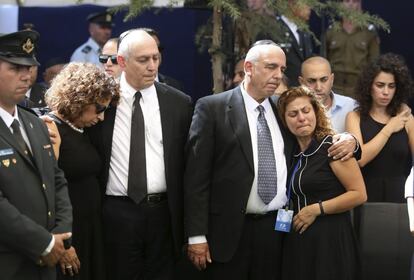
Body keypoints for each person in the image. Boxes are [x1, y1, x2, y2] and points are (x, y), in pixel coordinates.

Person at [184, 40, 358, 279]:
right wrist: (196, 236)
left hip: (277, 230)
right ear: (248, 67)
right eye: (271, 67)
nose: (278, 75)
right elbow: (196, 178)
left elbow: (317, 138)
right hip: (228, 232)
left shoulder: (282, 108)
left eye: (282, 70)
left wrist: (352, 141)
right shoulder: (212, 108)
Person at [88, 29, 193, 280]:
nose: (152, 66)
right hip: (115, 212)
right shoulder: (100, 100)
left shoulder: (179, 103)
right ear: (122, 62)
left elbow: (189, 164)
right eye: (143, 60)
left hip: (163, 214)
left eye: (156, 58)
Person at [0, 30, 72, 280]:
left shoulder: (35, 123)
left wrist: (61, 236)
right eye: (15, 67)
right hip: (9, 262)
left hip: (46, 262)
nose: (26, 76)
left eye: (29, 67)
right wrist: (44, 243)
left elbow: (57, 180)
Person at [277, 86, 366, 280]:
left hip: (330, 240)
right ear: (284, 121)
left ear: (316, 112)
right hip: (298, 241)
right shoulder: (290, 154)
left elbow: (359, 194)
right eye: (293, 114)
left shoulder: (333, 147)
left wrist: (316, 209)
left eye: (306, 111)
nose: (301, 118)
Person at [44, 62, 120, 280]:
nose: (102, 117)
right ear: (79, 99)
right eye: (99, 109)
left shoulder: (83, 129)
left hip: (91, 229)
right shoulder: (51, 128)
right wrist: (64, 243)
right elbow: (47, 190)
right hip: (68, 233)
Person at [346, 53, 414, 202]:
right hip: (366, 194)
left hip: (400, 195)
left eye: (391, 86)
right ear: (369, 85)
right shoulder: (354, 117)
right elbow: (360, 159)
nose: (386, 92)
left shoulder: (406, 117)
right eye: (380, 85)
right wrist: (390, 127)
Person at [325, 0, 380, 98]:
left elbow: (374, 64)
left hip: (358, 88)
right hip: (334, 88)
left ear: (360, 4)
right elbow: (323, 60)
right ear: (340, 4)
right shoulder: (331, 31)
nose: (350, 4)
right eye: (346, 1)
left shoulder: (369, 32)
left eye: (354, 1)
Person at [299, 56, 356, 133]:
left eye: (324, 80)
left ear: (332, 79)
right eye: (311, 81)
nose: (318, 88)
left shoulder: (351, 106)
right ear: (301, 82)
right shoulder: (295, 111)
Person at [273, 0, 313, 86]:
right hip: (281, 91)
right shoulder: (273, 29)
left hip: (302, 90)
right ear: (292, 4)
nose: (310, 8)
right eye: (307, 4)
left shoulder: (304, 31)